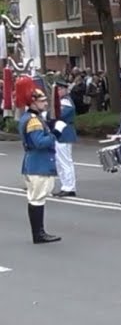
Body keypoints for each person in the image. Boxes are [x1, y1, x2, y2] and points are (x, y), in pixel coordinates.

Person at [20, 88, 62, 244]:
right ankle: (38, 234)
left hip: (33, 162)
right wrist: (55, 133)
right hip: (39, 163)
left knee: (35, 198)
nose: (45, 103)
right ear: (33, 102)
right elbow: (40, 143)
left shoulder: (31, 117)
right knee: (37, 199)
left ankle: (39, 232)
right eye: (42, 100)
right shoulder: (33, 120)